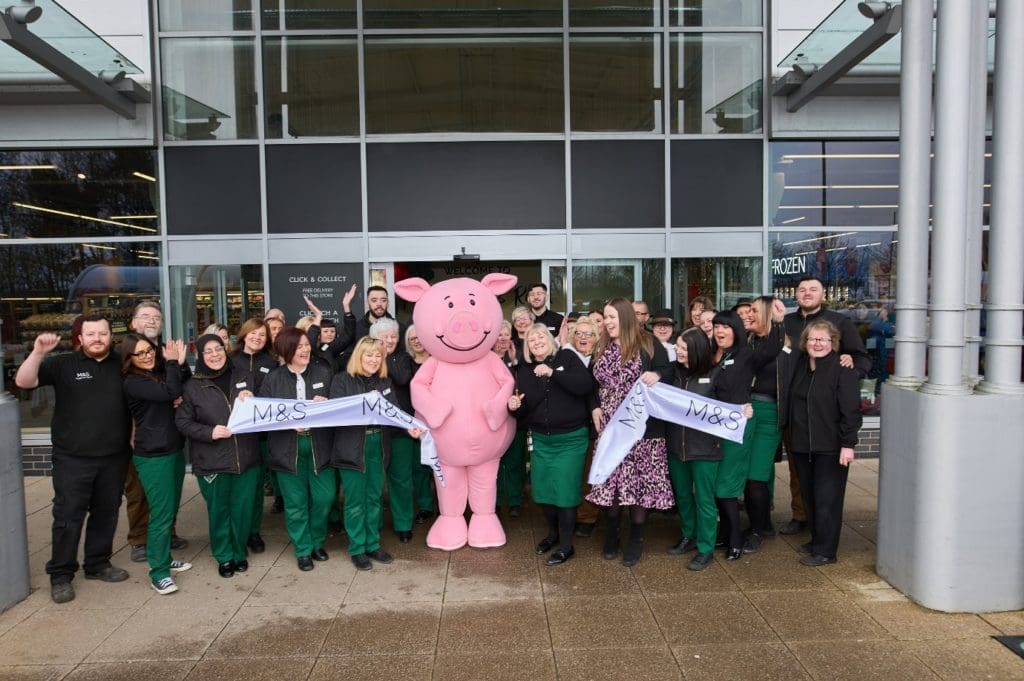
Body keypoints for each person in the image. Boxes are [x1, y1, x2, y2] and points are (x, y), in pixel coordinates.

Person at [15, 315, 132, 604]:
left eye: (102, 333)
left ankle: (97, 563)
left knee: (107, 512)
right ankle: (61, 574)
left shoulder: (123, 364)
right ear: (80, 338)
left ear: (111, 336)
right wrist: (38, 352)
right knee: (68, 517)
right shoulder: (63, 364)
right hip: (72, 458)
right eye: (90, 334)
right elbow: (23, 381)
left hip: (114, 456)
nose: (97, 339)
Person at [780, 276, 871, 536]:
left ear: (823, 295)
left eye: (813, 289)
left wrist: (847, 371)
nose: (807, 293)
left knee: (825, 483)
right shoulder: (786, 323)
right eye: (802, 289)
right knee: (797, 471)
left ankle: (822, 531)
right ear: (796, 294)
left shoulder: (839, 322)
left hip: (825, 414)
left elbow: (861, 359)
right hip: (794, 410)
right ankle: (801, 515)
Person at [587, 297, 674, 567]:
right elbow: (590, 383)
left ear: (625, 317)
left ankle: (636, 538)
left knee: (640, 486)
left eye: (612, 317)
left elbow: (668, 371)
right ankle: (611, 533)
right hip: (611, 430)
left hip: (641, 431)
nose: (608, 322)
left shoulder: (648, 342)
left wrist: (657, 376)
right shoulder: (601, 345)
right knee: (611, 484)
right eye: (606, 317)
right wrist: (594, 406)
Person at [330, 337, 423, 570]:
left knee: (374, 498)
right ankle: (357, 548)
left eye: (378, 356)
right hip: (351, 447)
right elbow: (336, 414)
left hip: (378, 445)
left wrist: (409, 427)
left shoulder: (384, 382)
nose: (374, 360)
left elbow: (395, 412)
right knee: (355, 502)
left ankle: (372, 544)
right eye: (369, 355)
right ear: (359, 356)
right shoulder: (342, 380)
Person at [177, 333, 262, 578]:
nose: (215, 355)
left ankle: (239, 551)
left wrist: (253, 399)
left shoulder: (244, 377)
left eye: (218, 349)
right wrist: (210, 432)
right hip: (212, 459)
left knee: (242, 510)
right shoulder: (192, 386)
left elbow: (264, 408)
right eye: (208, 351)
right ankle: (224, 555)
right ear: (200, 356)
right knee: (220, 511)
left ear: (226, 350)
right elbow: (183, 422)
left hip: (246, 457)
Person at [507, 324, 592, 566]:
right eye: (531, 339)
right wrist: (513, 406)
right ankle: (552, 535)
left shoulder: (567, 357)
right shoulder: (524, 370)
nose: (536, 341)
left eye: (540, 336)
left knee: (565, 493)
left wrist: (553, 373)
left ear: (550, 339)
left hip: (570, 439)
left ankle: (566, 545)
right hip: (541, 440)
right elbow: (525, 408)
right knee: (543, 492)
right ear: (527, 346)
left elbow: (585, 385)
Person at [785, 320, 862, 566]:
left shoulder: (842, 369)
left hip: (831, 447)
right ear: (805, 342)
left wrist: (848, 444)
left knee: (827, 500)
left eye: (823, 339)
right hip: (802, 446)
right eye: (812, 339)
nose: (817, 344)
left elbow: (851, 411)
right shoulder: (801, 366)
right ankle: (817, 540)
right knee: (809, 497)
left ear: (833, 343)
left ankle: (827, 551)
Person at [259, 327, 336, 572]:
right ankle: (303, 549)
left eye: (306, 345)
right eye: (299, 346)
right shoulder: (273, 379)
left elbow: (339, 409)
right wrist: (285, 422)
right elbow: (263, 416)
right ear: (286, 350)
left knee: (325, 497)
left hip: (319, 445)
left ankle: (316, 541)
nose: (305, 350)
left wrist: (327, 404)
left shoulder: (324, 372)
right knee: (295, 503)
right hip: (286, 449)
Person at [121, 333, 192, 595]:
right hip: (153, 456)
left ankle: (163, 557)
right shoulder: (133, 382)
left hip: (173, 450)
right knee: (161, 515)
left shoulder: (156, 374)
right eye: (140, 353)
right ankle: (159, 573)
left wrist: (179, 365)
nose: (147, 356)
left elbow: (180, 386)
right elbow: (171, 391)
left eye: (149, 350)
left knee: (169, 510)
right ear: (129, 359)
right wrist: (172, 364)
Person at [710, 307, 783, 560]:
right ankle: (725, 532)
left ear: (736, 330)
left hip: (737, 426)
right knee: (716, 481)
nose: (720, 331)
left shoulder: (745, 354)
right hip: (711, 427)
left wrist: (778, 323)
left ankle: (743, 536)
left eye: (726, 326)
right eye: (717, 326)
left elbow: (773, 348)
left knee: (729, 482)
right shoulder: (710, 354)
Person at [666, 328, 732, 571]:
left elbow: (728, 407)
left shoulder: (715, 374)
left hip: (705, 448)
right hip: (676, 446)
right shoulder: (671, 372)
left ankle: (706, 548)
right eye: (678, 346)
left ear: (697, 349)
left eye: (684, 348)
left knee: (705, 499)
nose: (679, 351)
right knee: (683, 496)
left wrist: (742, 410)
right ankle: (689, 535)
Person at [739, 296, 788, 554]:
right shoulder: (747, 341)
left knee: (755, 476)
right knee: (747, 474)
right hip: (744, 412)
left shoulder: (785, 344)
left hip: (768, 414)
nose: (748, 314)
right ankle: (763, 524)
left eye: (754, 311)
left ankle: (757, 531)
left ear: (769, 314)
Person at [230, 318, 279, 548]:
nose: (257, 338)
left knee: (257, 486)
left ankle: (253, 532)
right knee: (239, 487)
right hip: (237, 434)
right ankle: (236, 529)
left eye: (262, 335)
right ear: (244, 334)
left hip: (262, 435)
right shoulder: (230, 360)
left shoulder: (271, 363)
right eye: (253, 333)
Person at [370, 318, 417, 542]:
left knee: (401, 480)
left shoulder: (403, 358)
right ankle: (375, 523)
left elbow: (402, 377)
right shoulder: (367, 358)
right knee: (375, 480)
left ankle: (403, 524)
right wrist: (378, 356)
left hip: (400, 430)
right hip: (375, 431)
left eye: (393, 336)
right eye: (384, 336)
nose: (389, 340)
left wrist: (385, 356)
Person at [566, 315, 601, 537]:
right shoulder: (567, 358)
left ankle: (588, 516)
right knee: (575, 474)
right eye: (578, 333)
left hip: (595, 425)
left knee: (590, 472)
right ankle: (575, 513)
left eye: (588, 334)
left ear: (596, 338)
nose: (583, 337)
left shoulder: (601, 360)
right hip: (573, 424)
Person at [494, 320, 526, 518]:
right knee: (494, 463)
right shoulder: (486, 357)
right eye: (499, 334)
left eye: (506, 334)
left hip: (515, 418)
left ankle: (515, 501)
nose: (503, 338)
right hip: (493, 420)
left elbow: (524, 382)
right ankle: (495, 501)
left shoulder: (518, 357)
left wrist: (515, 362)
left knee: (514, 462)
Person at [405, 324, 435, 523]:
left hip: (439, 422)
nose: (416, 341)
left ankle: (446, 505)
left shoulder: (438, 361)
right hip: (416, 423)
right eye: (412, 338)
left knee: (442, 466)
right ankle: (425, 506)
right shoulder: (406, 364)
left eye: (419, 337)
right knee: (420, 468)